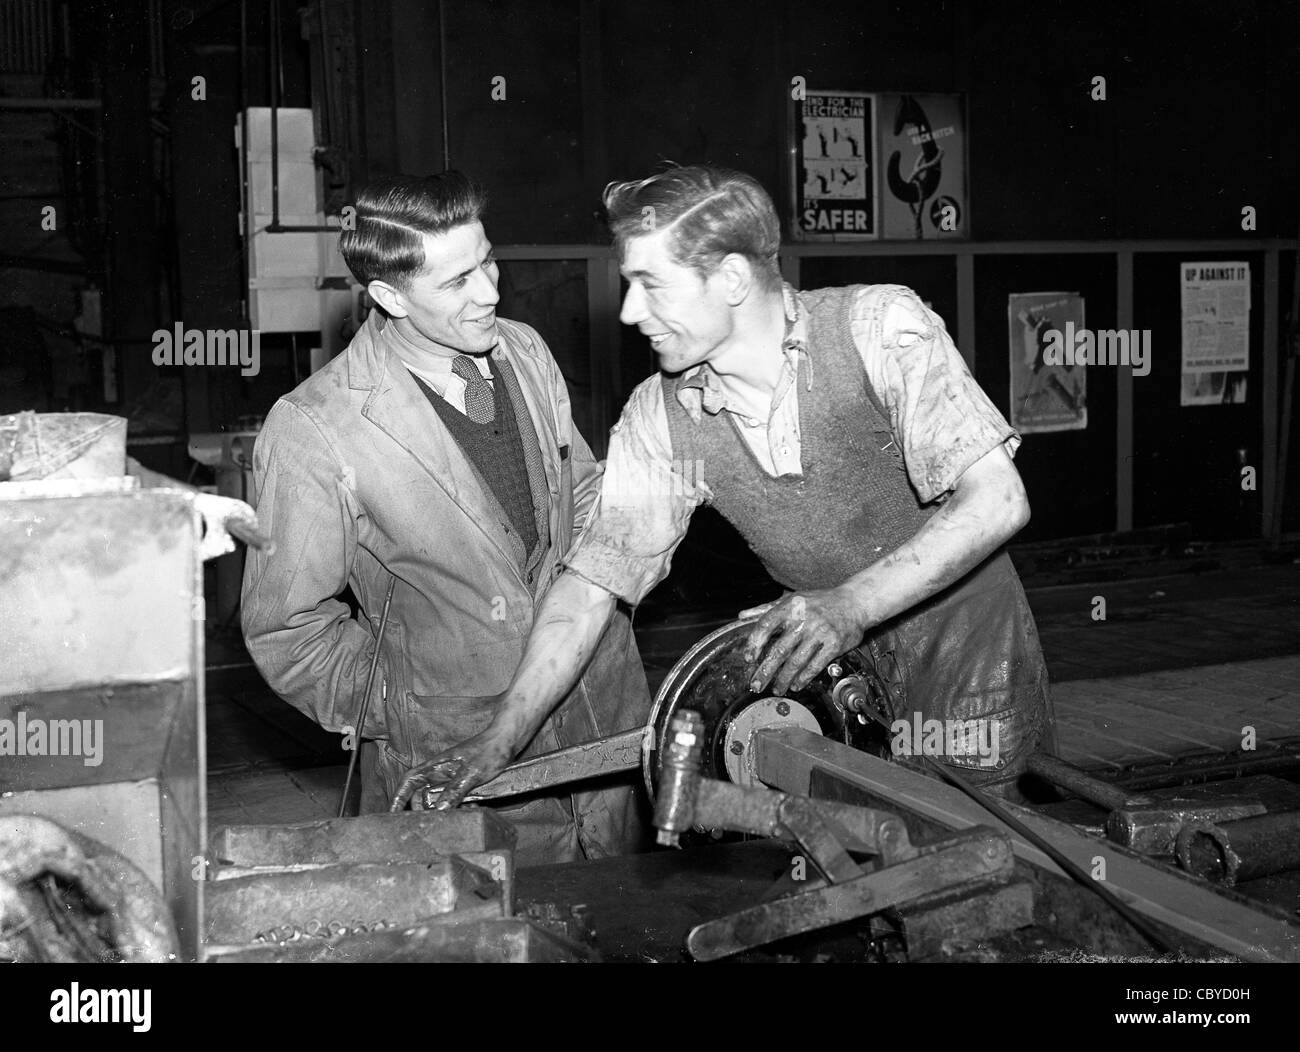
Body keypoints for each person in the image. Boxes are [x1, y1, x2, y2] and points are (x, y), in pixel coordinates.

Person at [392, 164, 1057, 811]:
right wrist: (499, 739)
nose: (629, 312)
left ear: (732, 278)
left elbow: (997, 498)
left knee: (990, 874)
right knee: (868, 866)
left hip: (972, 669)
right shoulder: (662, 416)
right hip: (835, 673)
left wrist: (849, 605)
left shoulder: (879, 328)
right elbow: (591, 586)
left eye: (651, 286)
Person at [241, 172, 651, 864]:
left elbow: (577, 490)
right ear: (388, 296)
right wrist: (405, 705)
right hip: (459, 757)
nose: (490, 292)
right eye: (457, 281)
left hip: (599, 719)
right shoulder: (317, 426)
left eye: (487, 261)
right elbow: (288, 629)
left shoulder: (522, 350)